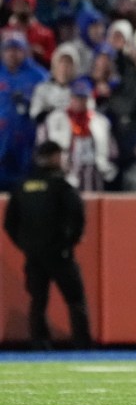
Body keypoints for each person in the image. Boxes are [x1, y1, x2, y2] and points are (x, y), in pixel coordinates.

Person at [3, 140, 92, 349]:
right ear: (54, 158)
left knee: (38, 301)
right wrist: (67, 244)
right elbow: (77, 217)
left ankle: (39, 342)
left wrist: (26, 245)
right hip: (59, 254)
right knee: (75, 300)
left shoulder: (22, 186)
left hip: (34, 255)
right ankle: (82, 343)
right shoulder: (61, 186)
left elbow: (9, 223)